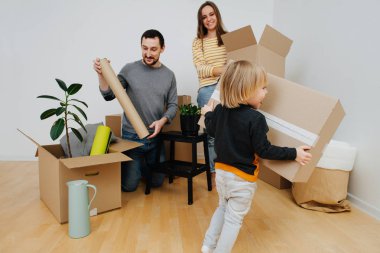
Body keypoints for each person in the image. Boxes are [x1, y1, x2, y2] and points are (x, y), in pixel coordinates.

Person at [200, 61, 312, 253]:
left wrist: (208, 113)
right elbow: (265, 150)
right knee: (234, 219)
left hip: (221, 173)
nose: (266, 93)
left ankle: (207, 245)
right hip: (242, 179)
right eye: (263, 88)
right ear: (246, 90)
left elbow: (210, 129)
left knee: (222, 208)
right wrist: (294, 153)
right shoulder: (256, 119)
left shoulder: (220, 111)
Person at [93, 29, 178, 192]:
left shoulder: (169, 75)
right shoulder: (129, 70)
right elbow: (109, 95)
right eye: (144, 48)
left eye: (153, 49)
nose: (148, 53)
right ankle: (136, 168)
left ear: (162, 48)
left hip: (155, 137)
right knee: (129, 186)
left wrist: (162, 121)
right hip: (132, 138)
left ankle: (142, 168)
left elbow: (173, 105)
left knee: (157, 183)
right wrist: (101, 74)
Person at [192, 1, 228, 184]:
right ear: (201, 21)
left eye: (211, 14)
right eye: (204, 17)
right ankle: (214, 174)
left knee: (230, 132)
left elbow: (236, 64)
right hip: (207, 90)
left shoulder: (229, 38)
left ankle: (228, 172)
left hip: (228, 89)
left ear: (217, 15)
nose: (208, 19)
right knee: (212, 134)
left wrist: (225, 71)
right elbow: (200, 69)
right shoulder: (198, 42)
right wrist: (222, 70)